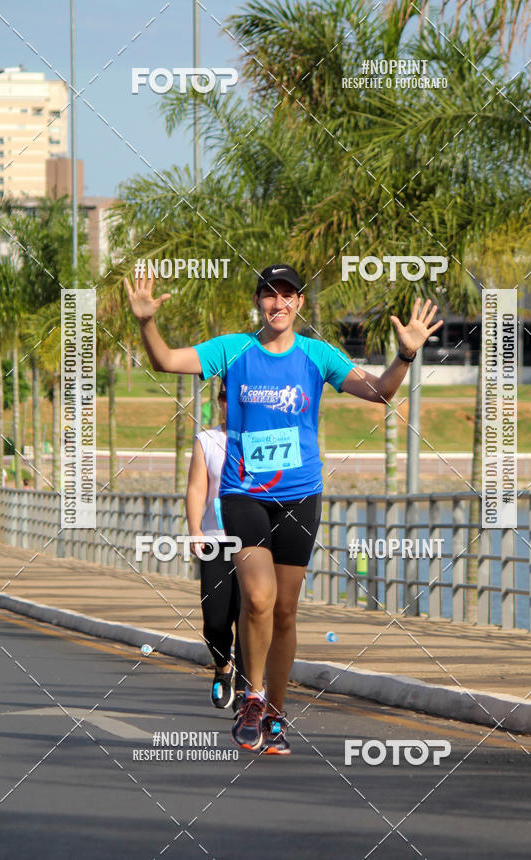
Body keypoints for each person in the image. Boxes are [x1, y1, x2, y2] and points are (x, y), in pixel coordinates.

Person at [125, 264, 442, 755]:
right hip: (243, 495)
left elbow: (380, 391)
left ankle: (276, 710)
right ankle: (251, 698)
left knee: (287, 612)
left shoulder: (318, 355)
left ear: (299, 304)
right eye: (270, 296)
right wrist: (147, 323)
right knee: (256, 600)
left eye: (288, 295)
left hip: (300, 496)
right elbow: (166, 360)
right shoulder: (234, 349)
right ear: (259, 302)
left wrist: (404, 355)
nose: (279, 304)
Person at [185, 383, 246, 711]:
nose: (230, 404)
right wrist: (195, 530)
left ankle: (247, 686)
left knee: (250, 614)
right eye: (225, 398)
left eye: (237, 398)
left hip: (256, 540)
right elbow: (197, 489)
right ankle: (223, 667)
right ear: (219, 401)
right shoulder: (207, 441)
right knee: (215, 619)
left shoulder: (263, 439)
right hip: (216, 539)